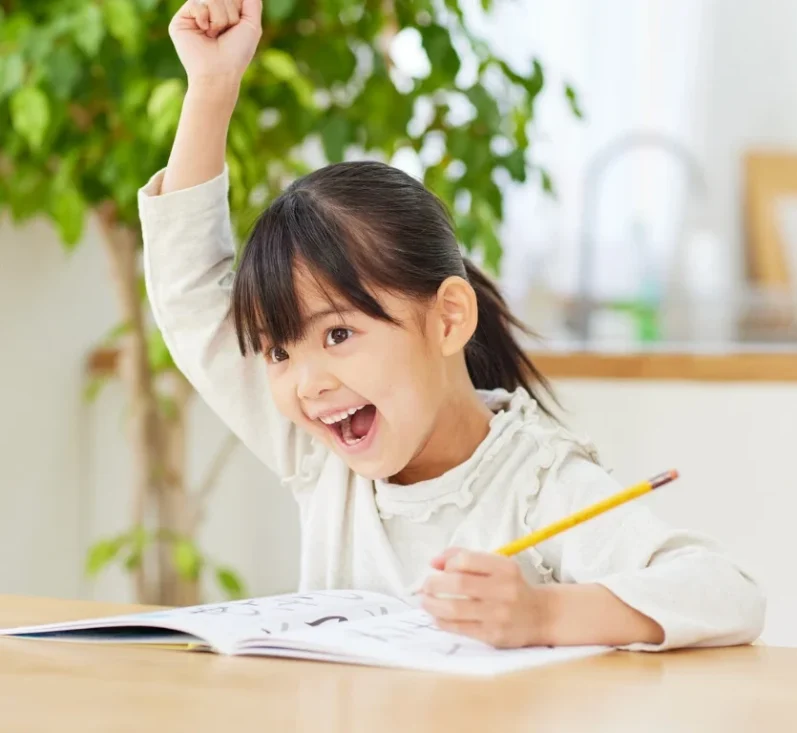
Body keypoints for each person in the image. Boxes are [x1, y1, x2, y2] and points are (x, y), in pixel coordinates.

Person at [139, 0, 765, 650]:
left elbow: (726, 593)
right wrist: (211, 89)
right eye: (277, 351)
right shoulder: (319, 455)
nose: (307, 383)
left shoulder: (537, 481)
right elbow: (189, 298)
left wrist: (544, 614)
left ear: (448, 318)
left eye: (337, 335)